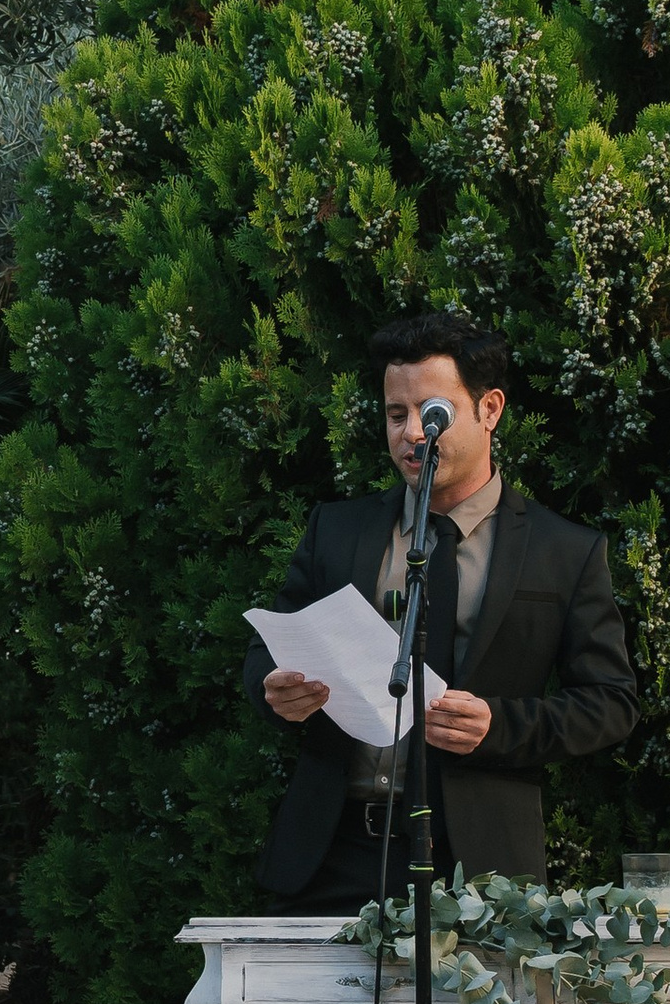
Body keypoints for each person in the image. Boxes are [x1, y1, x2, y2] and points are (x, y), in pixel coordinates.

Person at [246, 309, 639, 912]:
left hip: (479, 864)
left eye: (431, 415)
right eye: (395, 415)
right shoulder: (338, 529)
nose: (410, 435)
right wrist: (278, 692)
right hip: (333, 850)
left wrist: (497, 726)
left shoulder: (565, 552)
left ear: (490, 410)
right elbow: (267, 655)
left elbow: (611, 703)